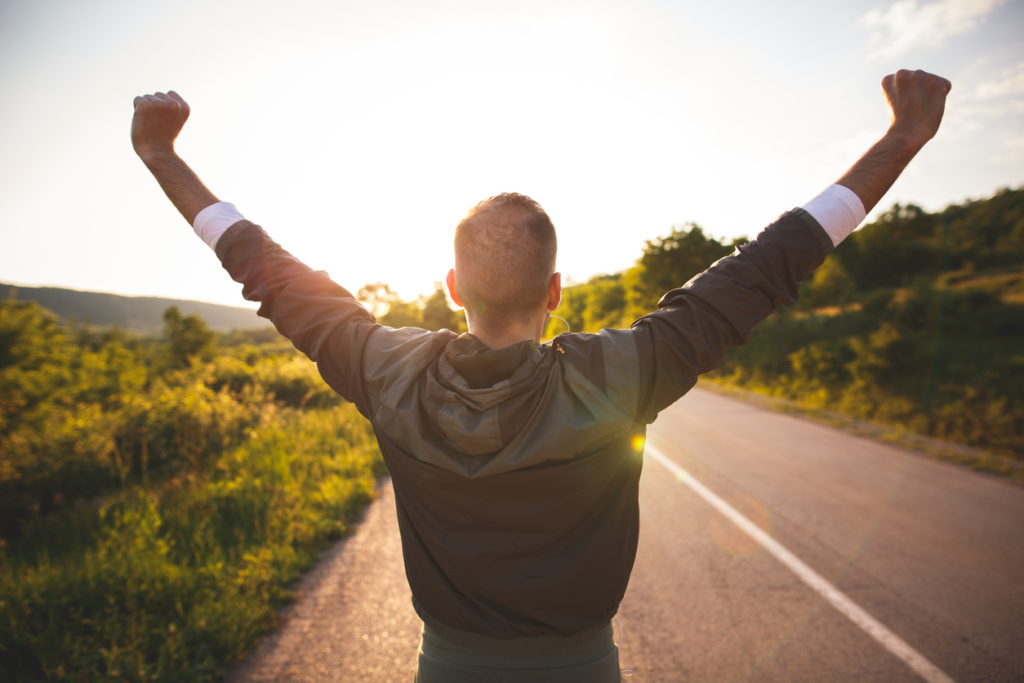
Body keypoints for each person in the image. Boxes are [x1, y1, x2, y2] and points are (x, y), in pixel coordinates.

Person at [132, 69, 950, 682]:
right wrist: (902, 138)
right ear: (555, 290)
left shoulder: (386, 370)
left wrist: (161, 154)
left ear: (453, 288)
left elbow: (262, 266)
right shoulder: (619, 373)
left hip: (446, 665)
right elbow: (772, 263)